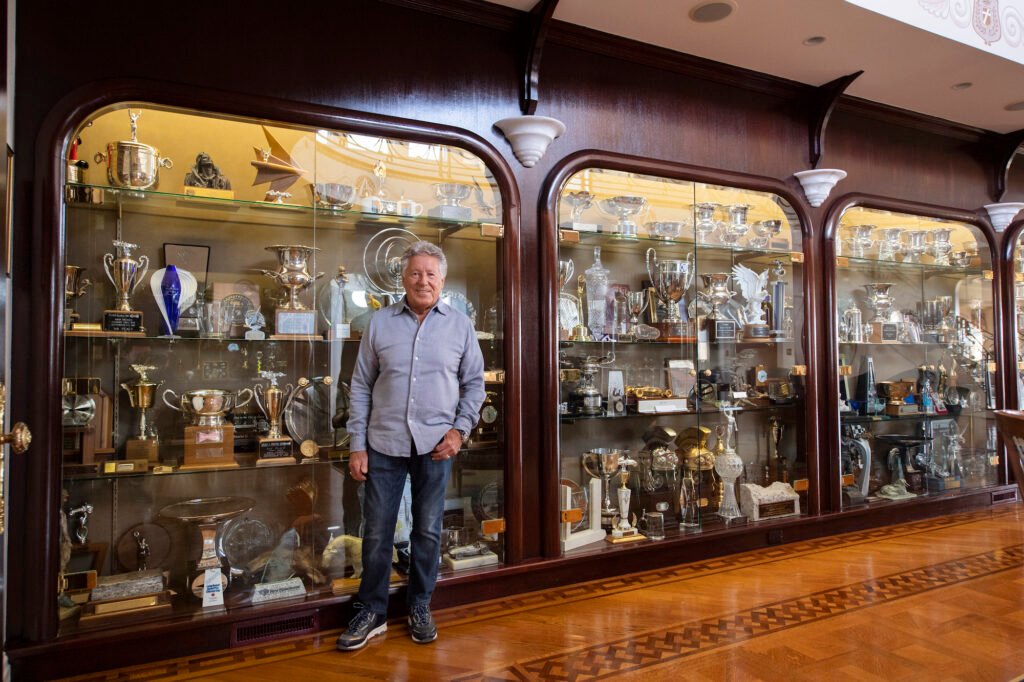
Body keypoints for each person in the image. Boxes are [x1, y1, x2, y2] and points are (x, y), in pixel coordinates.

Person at [336, 241, 484, 651]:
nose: (423, 281)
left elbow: (475, 385)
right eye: (415, 273)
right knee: (377, 532)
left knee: (428, 530)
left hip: (436, 445)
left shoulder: (460, 326)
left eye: (430, 274)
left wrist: (459, 431)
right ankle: (372, 611)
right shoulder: (379, 324)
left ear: (443, 280)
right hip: (383, 443)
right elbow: (360, 387)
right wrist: (357, 445)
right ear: (403, 278)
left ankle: (420, 604)